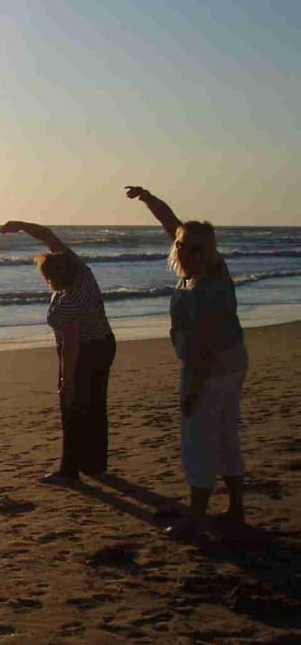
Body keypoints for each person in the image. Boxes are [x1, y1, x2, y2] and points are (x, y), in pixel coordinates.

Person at [126, 186, 249, 540]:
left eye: (195, 248)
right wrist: (149, 199)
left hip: (209, 367)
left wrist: (192, 387)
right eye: (181, 245)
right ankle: (235, 510)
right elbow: (172, 224)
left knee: (198, 441)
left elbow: (203, 348)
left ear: (209, 252)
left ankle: (196, 519)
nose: (184, 251)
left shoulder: (206, 285)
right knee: (226, 434)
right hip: (232, 360)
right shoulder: (202, 269)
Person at [0, 221, 116, 485]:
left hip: (86, 350)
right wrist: (20, 225)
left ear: (52, 277)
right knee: (95, 405)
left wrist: (67, 380)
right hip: (105, 342)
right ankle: (95, 463)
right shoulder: (82, 271)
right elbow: (48, 235)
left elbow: (71, 345)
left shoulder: (68, 303)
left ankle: (70, 469)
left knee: (73, 407)